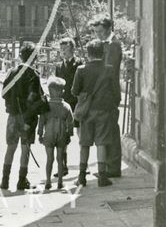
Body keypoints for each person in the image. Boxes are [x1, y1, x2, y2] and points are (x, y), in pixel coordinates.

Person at [71, 39, 121, 187]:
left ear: (88, 53)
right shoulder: (109, 69)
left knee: (85, 144)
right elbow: (116, 93)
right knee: (101, 143)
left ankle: (81, 177)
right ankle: (102, 177)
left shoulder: (81, 69)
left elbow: (74, 91)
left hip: (86, 112)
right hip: (104, 111)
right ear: (103, 52)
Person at [0, 41, 45, 191]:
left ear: (20, 56)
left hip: (12, 117)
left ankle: (4, 181)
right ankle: (21, 180)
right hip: (28, 118)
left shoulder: (12, 72)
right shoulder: (34, 75)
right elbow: (35, 100)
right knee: (25, 149)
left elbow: (4, 93)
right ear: (34, 58)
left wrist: (12, 104)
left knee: (10, 148)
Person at [90, 15, 123, 178]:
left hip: (109, 93)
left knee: (111, 130)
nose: (98, 35)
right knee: (107, 129)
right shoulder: (106, 45)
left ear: (109, 29)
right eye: (96, 32)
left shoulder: (114, 45)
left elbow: (109, 70)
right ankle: (110, 166)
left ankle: (113, 168)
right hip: (104, 92)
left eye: (101, 31)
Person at [38, 77, 74, 190]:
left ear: (50, 91)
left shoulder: (45, 106)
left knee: (49, 159)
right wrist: (69, 134)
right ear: (61, 92)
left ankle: (48, 181)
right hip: (62, 134)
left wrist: (40, 134)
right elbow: (71, 122)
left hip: (49, 134)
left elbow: (41, 121)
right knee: (60, 159)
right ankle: (60, 182)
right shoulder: (66, 106)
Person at [54, 37, 83, 175]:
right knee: (62, 135)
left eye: (66, 49)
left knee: (81, 133)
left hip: (77, 103)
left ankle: (83, 165)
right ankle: (63, 166)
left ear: (73, 50)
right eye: (61, 49)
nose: (63, 52)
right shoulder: (59, 66)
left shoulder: (79, 64)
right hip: (64, 105)